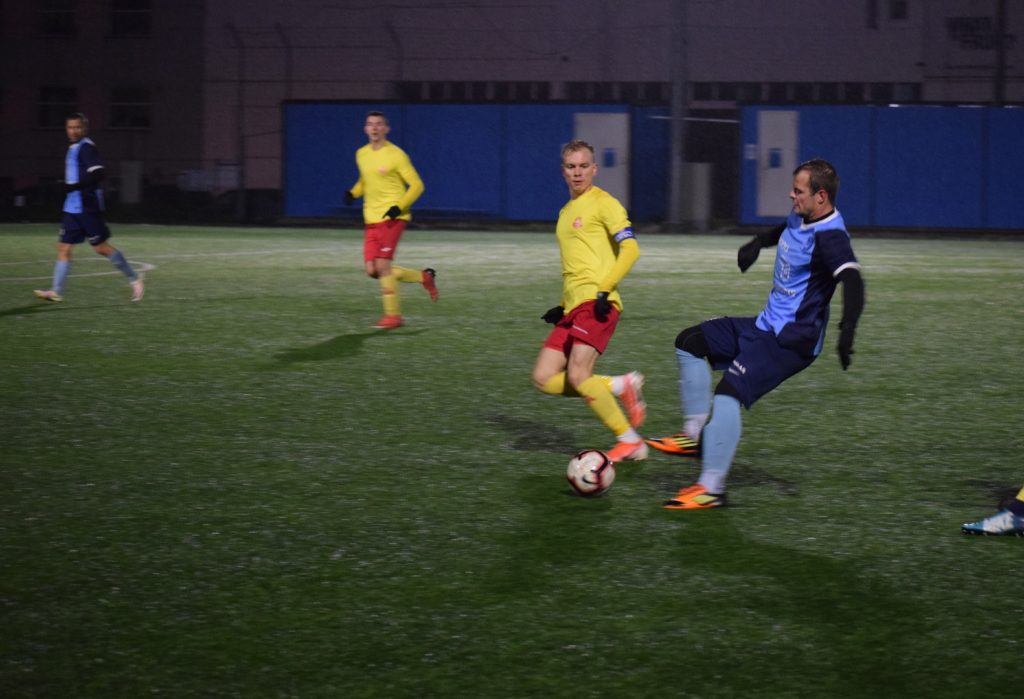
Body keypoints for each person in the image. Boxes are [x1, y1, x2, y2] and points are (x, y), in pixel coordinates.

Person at [647, 158, 865, 509]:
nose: (791, 195)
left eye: (798, 191)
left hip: (791, 341)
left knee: (728, 394)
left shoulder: (831, 236)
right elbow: (785, 228)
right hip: (765, 325)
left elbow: (852, 280)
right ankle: (695, 436)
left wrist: (847, 330)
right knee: (690, 343)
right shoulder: (803, 214)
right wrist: (757, 243)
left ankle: (712, 489)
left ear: (821, 196)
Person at [532, 139, 647, 464]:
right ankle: (619, 385)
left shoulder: (605, 203)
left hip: (598, 303)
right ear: (563, 171)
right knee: (543, 378)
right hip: (574, 307)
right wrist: (562, 304)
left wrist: (604, 290)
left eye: (584, 166)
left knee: (579, 375)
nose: (578, 172)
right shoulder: (565, 212)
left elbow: (631, 249)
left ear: (594, 169)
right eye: (571, 167)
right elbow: (576, 264)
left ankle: (630, 441)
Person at [34, 112, 144, 303]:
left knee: (101, 248)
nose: (73, 131)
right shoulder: (73, 148)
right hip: (72, 208)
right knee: (63, 247)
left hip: (88, 207)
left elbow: (99, 174)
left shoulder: (86, 148)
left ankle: (134, 279)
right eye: (70, 127)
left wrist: (73, 187)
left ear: (84, 128)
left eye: (77, 127)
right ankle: (56, 291)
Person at [344, 110, 436, 329]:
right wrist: (353, 193)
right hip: (371, 219)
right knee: (373, 271)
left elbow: (417, 185)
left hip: (393, 217)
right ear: (365, 129)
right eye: (370, 124)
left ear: (386, 129)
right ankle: (423, 277)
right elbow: (366, 180)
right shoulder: (361, 154)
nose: (374, 128)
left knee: (383, 266)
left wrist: (399, 207)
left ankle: (394, 317)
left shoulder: (396, 155)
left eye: (379, 124)